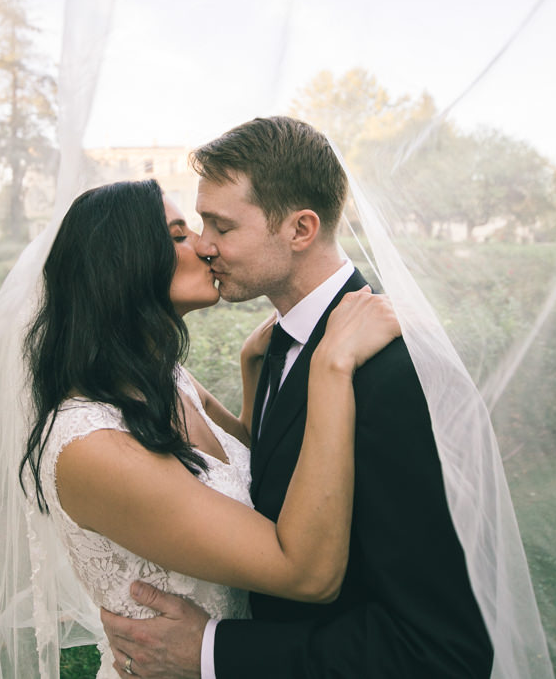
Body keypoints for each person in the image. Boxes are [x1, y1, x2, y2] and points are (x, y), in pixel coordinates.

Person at [100, 116, 495, 678]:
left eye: (222, 226)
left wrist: (213, 653)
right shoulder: (277, 348)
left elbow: (440, 650)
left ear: (301, 229)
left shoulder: (389, 374)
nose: (203, 245)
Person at [19, 177, 401, 679]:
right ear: (124, 266)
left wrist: (254, 369)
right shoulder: (93, 446)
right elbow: (307, 574)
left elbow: (247, 473)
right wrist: (330, 368)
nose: (204, 245)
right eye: (179, 235)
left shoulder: (166, 381)